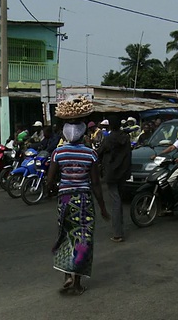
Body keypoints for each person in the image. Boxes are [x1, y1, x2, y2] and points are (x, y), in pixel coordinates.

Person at [47, 121, 110, 295]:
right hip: (84, 198)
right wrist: (103, 208)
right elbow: (96, 184)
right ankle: (77, 283)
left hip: (65, 198)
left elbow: (50, 179)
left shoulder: (58, 152)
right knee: (83, 239)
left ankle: (67, 275)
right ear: (83, 135)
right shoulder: (90, 154)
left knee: (65, 234)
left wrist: (52, 190)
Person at [98, 116, 132, 243]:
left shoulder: (109, 138)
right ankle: (119, 228)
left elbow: (100, 151)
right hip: (123, 172)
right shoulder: (126, 137)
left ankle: (118, 233)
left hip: (112, 173)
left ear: (110, 126)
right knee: (118, 200)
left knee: (115, 202)